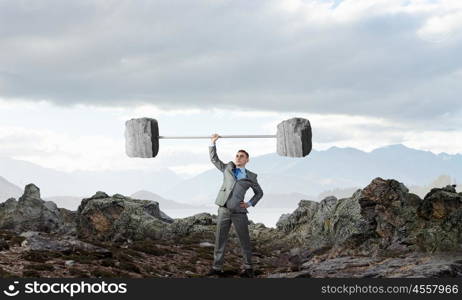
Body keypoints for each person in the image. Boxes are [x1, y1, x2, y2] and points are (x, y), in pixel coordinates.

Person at [206, 133, 264, 278]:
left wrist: (249, 203)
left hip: (239, 212)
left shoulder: (251, 177)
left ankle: (248, 268)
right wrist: (213, 143)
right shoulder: (227, 169)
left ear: (247, 160)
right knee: (220, 239)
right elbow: (214, 159)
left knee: (244, 240)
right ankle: (216, 268)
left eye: (241, 156)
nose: (238, 158)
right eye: (237, 155)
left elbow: (259, 193)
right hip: (224, 210)